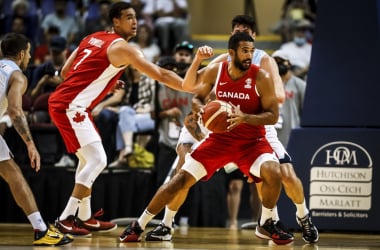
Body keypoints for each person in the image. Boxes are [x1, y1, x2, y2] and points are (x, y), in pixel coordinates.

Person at [120, 32, 294, 245]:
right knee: (180, 180)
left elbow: (273, 115)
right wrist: (202, 110)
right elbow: (197, 98)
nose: (250, 55)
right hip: (220, 140)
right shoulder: (216, 71)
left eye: (252, 50)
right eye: (245, 51)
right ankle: (139, 224)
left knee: (274, 172)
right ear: (231, 53)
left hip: (251, 142)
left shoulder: (261, 77)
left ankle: (266, 221)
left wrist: (245, 117)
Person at [49, 1, 184, 236]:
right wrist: (188, 86)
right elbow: (160, 74)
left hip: (67, 103)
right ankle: (65, 218)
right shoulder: (124, 48)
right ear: (116, 21)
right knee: (98, 160)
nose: (135, 22)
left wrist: (105, 81)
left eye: (136, 17)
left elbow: (65, 72)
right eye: (129, 17)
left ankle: (85, 217)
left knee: (87, 160)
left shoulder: (91, 37)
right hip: (71, 106)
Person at [182, 14, 318, 244]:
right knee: (186, 164)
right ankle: (167, 222)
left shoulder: (264, 61)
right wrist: (212, 106)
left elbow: (279, 97)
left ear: (253, 36)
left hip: (262, 125)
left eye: (245, 31)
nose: (240, 34)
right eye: (236, 31)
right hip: (231, 129)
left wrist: (245, 98)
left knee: (286, 175)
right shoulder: (224, 61)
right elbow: (193, 89)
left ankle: (303, 215)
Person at [0, 32, 73, 246]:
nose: (30, 58)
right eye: (29, 53)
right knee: (13, 174)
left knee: (11, 172)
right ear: (22, 54)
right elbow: (15, 110)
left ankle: (41, 228)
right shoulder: (17, 76)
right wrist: (30, 143)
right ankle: (41, 230)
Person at [108, 66, 156, 168]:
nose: (135, 67)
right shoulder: (128, 83)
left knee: (123, 122)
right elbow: (127, 105)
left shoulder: (150, 78)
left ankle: (123, 156)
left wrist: (146, 109)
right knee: (124, 113)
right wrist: (116, 109)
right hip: (133, 116)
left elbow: (156, 100)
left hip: (149, 116)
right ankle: (126, 151)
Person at [272, 49, 306, 147]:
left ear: (289, 63)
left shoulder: (300, 85)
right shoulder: (268, 84)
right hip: (273, 132)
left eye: (281, 61)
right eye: (275, 61)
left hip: (292, 131)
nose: (279, 64)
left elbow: (305, 110)